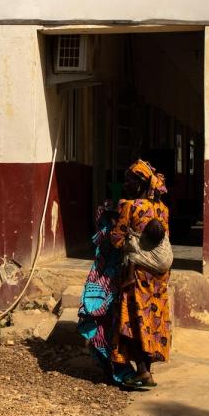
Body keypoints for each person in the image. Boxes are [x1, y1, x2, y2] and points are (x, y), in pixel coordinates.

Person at [109, 159, 172, 390]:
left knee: (134, 319)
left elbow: (116, 240)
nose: (125, 184)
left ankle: (142, 372)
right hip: (159, 275)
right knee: (153, 319)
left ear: (141, 183)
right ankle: (147, 371)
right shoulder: (163, 209)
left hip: (137, 275)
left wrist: (112, 225)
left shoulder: (129, 206)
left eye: (130, 180)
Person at [76, 199, 131, 385]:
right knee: (104, 324)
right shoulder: (109, 234)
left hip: (108, 282)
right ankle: (112, 369)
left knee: (107, 324)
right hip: (104, 282)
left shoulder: (112, 235)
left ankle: (113, 368)